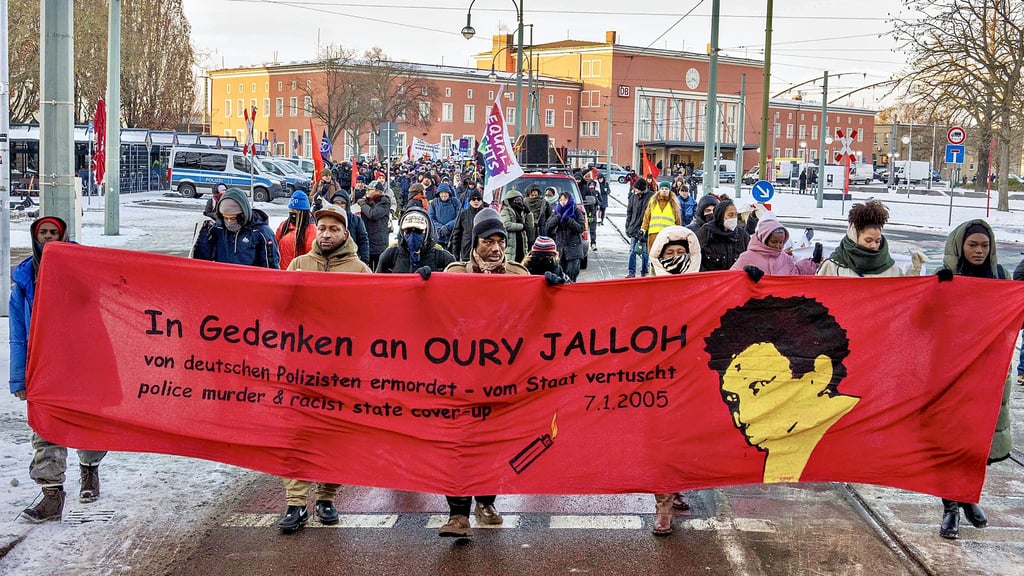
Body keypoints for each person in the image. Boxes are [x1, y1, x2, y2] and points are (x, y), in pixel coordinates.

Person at [277, 204, 370, 533]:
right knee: (298, 435)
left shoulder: (360, 271)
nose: (327, 234)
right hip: (301, 369)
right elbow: (279, 307)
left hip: (342, 372)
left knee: (335, 436)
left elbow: (373, 319)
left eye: (334, 229)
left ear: (345, 233)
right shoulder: (299, 265)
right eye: (322, 228)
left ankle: (327, 497)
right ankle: (295, 502)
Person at [439, 208, 529, 538]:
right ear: (475, 242)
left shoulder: (518, 275)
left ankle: (487, 502)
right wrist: (422, 286)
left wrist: (554, 284)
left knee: (494, 444)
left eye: (500, 241)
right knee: (459, 445)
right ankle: (458, 513)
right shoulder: (454, 274)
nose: (495, 248)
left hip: (501, 379)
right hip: (461, 378)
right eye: (488, 241)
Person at [705, 295, 859, 485]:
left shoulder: (865, 439)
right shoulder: (781, 450)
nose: (741, 417)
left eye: (759, 387)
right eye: (733, 399)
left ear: (819, 374)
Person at [12, 216, 107, 522]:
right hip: (43, 365)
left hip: (80, 361)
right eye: (43, 233)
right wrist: (18, 377)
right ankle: (52, 495)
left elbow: (102, 308)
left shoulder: (82, 267)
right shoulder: (24, 280)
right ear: (35, 237)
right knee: (46, 426)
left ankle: (89, 469)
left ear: (63, 236)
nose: (49, 237)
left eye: (54, 232)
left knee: (87, 421)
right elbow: (17, 333)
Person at [935, 219, 1014, 540]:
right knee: (950, 443)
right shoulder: (945, 276)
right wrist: (937, 292)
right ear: (960, 246)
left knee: (977, 444)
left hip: (989, 372)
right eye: (972, 245)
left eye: (984, 245)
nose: (979, 251)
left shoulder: (1000, 276)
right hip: (952, 372)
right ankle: (951, 508)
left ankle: (967, 497)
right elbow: (923, 321)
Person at [646, 225, 702, 533]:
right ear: (659, 255)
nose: (677, 257)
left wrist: (748, 282)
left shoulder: (704, 288)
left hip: (692, 378)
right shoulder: (646, 288)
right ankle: (663, 504)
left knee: (686, 438)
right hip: (657, 379)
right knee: (662, 440)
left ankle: (676, 486)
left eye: (682, 252)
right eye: (671, 253)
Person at [816, 200, 925, 277]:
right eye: (868, 240)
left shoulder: (890, 268)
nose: (873, 245)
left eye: (878, 241)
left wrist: (914, 271)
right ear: (854, 237)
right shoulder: (832, 266)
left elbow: (902, 293)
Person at [192, 188, 280, 269]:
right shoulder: (217, 229)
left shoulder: (261, 232)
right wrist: (203, 236)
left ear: (243, 214)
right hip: (223, 278)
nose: (229, 221)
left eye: (233, 218)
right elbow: (202, 261)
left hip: (250, 279)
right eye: (225, 217)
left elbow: (271, 267)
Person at [730, 216, 822, 276]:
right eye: (774, 242)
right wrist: (745, 275)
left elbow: (797, 275)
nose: (778, 246)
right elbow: (731, 280)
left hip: (782, 300)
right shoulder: (747, 258)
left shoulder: (785, 258)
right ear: (764, 239)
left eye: (781, 242)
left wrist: (813, 263)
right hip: (755, 300)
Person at [377, 207, 455, 274]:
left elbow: (455, 284)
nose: (412, 234)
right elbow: (378, 284)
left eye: (419, 230)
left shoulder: (443, 259)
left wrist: (432, 277)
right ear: (402, 231)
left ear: (428, 231)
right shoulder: (389, 257)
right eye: (408, 230)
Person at [695, 197, 750, 272]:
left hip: (735, 278)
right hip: (711, 278)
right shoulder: (705, 233)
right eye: (730, 215)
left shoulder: (742, 235)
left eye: (735, 215)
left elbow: (751, 256)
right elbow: (694, 258)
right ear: (720, 216)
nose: (734, 218)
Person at [547, 191, 586, 282]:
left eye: (565, 200)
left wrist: (569, 220)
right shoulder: (556, 211)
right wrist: (558, 217)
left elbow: (581, 228)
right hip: (560, 249)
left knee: (571, 274)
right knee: (560, 276)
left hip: (574, 249)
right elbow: (548, 227)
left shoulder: (576, 211)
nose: (563, 202)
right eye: (561, 200)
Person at [275, 191, 316, 269]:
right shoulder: (284, 226)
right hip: (282, 271)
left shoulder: (311, 230)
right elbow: (275, 246)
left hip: (299, 272)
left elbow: (311, 256)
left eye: (296, 210)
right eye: (291, 209)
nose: (292, 212)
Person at [358, 180, 393, 270]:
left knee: (379, 270)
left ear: (378, 191)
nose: (367, 191)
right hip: (367, 241)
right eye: (367, 189)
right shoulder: (366, 201)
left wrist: (363, 205)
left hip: (379, 244)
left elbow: (373, 214)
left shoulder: (384, 202)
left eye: (370, 190)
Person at [330, 190, 370, 266]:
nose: (339, 206)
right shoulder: (328, 220)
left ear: (347, 205)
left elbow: (363, 240)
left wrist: (365, 260)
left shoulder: (356, 220)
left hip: (352, 259)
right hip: (332, 260)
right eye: (337, 203)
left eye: (342, 203)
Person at [641, 181, 683, 252]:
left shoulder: (673, 204)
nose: (664, 191)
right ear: (659, 190)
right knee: (653, 255)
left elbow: (678, 220)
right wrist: (643, 229)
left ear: (669, 190)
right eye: (662, 189)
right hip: (654, 234)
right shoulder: (653, 202)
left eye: (666, 189)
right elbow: (647, 217)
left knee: (666, 254)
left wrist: (678, 234)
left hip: (668, 235)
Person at [624, 179, 654, 278]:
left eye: (636, 188)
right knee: (632, 251)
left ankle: (644, 271)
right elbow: (629, 212)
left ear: (641, 188)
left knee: (645, 252)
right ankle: (631, 272)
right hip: (633, 228)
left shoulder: (651, 196)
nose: (635, 190)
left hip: (645, 229)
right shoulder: (633, 197)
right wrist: (628, 226)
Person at [499, 188, 536, 264]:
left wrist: (529, 213)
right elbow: (507, 225)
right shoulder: (505, 211)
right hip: (511, 244)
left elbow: (530, 226)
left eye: (520, 200)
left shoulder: (522, 211)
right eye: (516, 200)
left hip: (522, 245)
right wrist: (522, 226)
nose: (519, 202)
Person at [449, 188, 487, 260]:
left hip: (482, 253)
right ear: (469, 201)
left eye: (478, 199)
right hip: (466, 252)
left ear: (481, 201)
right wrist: (455, 254)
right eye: (473, 199)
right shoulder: (463, 214)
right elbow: (457, 235)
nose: (476, 201)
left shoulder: (486, 214)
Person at [428, 183, 460, 250]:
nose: (444, 195)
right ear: (439, 194)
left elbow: (459, 217)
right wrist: (440, 227)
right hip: (438, 236)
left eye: (445, 192)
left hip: (453, 235)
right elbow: (431, 218)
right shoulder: (434, 203)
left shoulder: (455, 202)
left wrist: (448, 227)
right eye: (442, 193)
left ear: (449, 193)